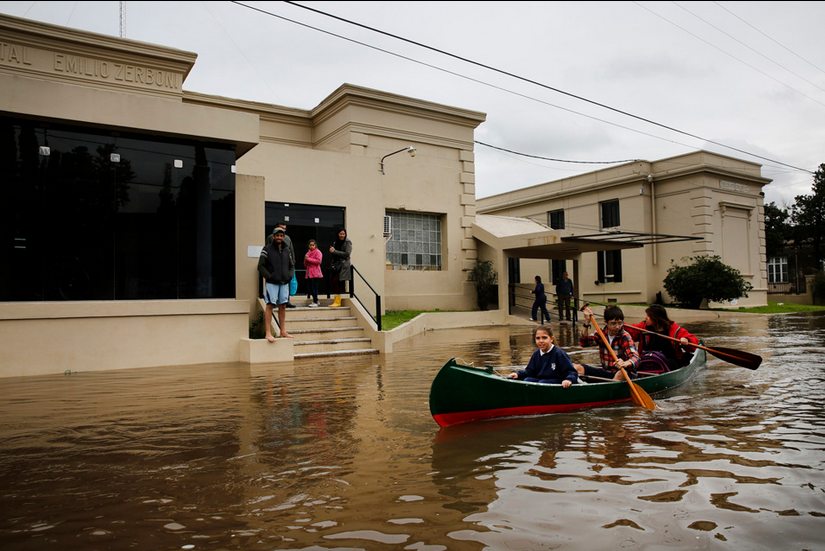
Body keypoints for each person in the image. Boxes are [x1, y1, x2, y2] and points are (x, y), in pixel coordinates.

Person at [575, 304, 639, 381]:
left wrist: (625, 363)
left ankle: (608, 390)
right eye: (613, 323)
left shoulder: (625, 336)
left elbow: (635, 357)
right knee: (576, 368)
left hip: (622, 372)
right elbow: (584, 343)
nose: (617, 327)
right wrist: (587, 323)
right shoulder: (601, 333)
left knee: (621, 374)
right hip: (606, 372)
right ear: (606, 322)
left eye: (620, 323)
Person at [624, 304, 699, 369]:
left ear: (656, 318)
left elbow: (693, 342)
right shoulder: (643, 327)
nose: (645, 318)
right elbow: (629, 331)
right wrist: (619, 323)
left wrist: (687, 340)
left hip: (670, 361)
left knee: (671, 363)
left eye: (648, 316)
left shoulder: (674, 329)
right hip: (647, 360)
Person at [508, 325, 578, 387]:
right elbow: (530, 371)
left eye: (544, 338)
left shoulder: (559, 354)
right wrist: (518, 375)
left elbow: (572, 372)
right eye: (538, 338)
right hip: (542, 381)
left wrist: (568, 380)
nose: (541, 341)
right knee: (527, 380)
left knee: (543, 383)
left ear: (551, 339)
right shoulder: (536, 354)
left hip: (557, 381)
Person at [258, 227, 294, 340]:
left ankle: (283, 331)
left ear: (283, 237)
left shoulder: (287, 249)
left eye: (281, 235)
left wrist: (290, 275)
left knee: (283, 305)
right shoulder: (267, 249)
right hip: (272, 283)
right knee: (270, 305)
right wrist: (269, 276)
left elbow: (292, 265)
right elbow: (260, 266)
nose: (279, 237)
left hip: (284, 282)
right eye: (277, 235)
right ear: (273, 236)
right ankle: (268, 332)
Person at [328, 228, 352, 308]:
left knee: (336, 281)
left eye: (343, 234)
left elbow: (347, 254)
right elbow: (334, 254)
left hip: (343, 265)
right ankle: (336, 300)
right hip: (336, 264)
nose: (342, 235)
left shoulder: (347, 242)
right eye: (340, 234)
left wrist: (335, 252)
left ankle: (338, 301)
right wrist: (332, 251)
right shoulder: (336, 242)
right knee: (334, 281)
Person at [304, 238, 323, 307]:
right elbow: (305, 264)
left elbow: (318, 261)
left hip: (315, 273)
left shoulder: (318, 252)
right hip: (309, 273)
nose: (311, 246)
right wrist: (306, 260)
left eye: (313, 245)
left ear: (315, 245)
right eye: (310, 245)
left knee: (313, 287)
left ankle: (315, 301)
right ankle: (316, 299)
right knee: (309, 287)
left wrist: (308, 259)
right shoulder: (308, 253)